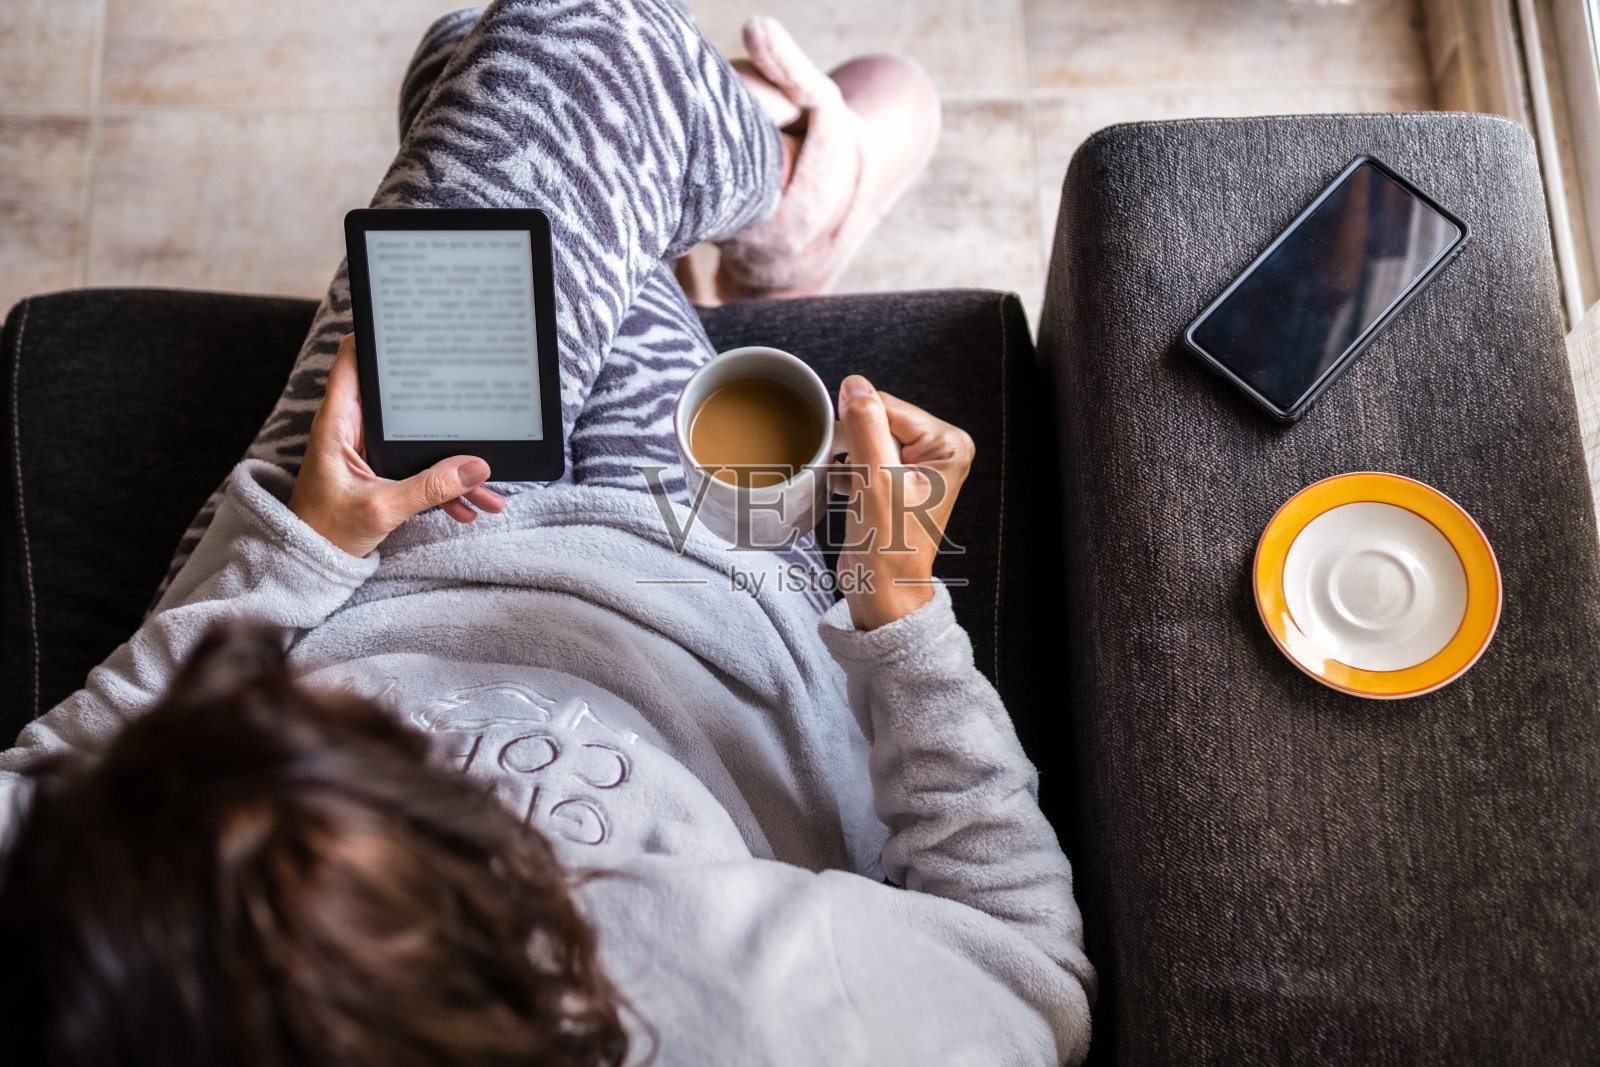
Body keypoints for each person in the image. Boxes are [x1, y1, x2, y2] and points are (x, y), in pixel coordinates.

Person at [0, 2, 1095, 1064]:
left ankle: (740, 179)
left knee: (493, 77)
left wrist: (294, 553)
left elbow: (42, 786)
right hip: (700, 575)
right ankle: (781, 190)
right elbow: (1021, 961)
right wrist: (897, 603)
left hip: (351, 551)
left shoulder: (92, 966)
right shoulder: (785, 1021)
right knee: (579, 40)